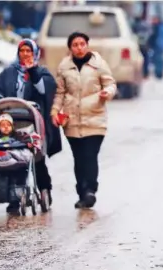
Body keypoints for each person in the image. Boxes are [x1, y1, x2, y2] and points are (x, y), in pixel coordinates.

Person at [0, 38, 61, 213]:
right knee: (11, 158)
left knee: (37, 159)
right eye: (22, 51)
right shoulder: (9, 71)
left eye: (29, 51)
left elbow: (45, 90)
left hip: (32, 123)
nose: (25, 54)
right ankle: (13, 197)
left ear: (35, 53)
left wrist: (33, 72)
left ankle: (44, 188)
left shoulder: (42, 72)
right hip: (11, 122)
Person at [51, 32, 117, 209]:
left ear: (87, 45)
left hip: (95, 118)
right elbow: (59, 93)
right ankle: (82, 192)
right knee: (78, 158)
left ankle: (90, 191)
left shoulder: (98, 64)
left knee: (90, 155)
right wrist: (55, 112)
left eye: (82, 44)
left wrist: (107, 93)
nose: (79, 48)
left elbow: (111, 84)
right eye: (75, 45)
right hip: (72, 120)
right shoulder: (64, 67)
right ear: (70, 48)